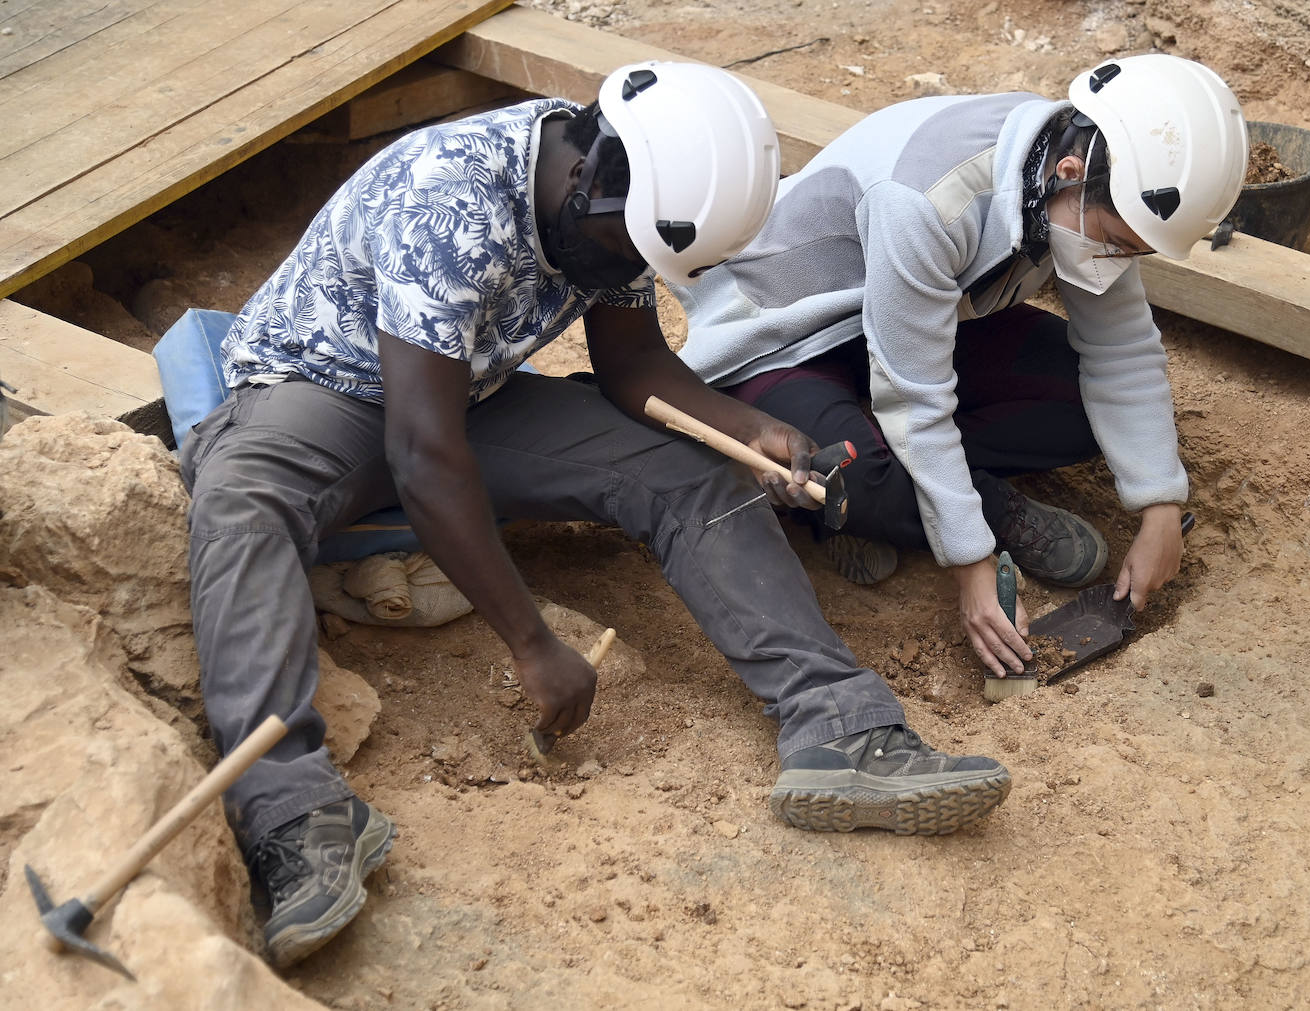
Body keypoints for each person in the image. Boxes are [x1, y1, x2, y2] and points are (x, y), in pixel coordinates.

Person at [178, 62, 1013, 969]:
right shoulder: (449, 202)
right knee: (241, 503)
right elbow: (422, 457)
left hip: (469, 393)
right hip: (325, 389)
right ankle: (294, 815)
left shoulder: (624, 194)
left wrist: (750, 428)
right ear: (592, 180)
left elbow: (634, 369)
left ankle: (838, 726)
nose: (631, 273)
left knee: (687, 467)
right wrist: (533, 643)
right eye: (630, 256)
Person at [672, 54, 1247, 678]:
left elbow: (1123, 352)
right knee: (847, 472)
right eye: (1117, 241)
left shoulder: (1075, 188)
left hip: (911, 323)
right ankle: (961, 504)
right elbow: (916, 399)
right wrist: (973, 559)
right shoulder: (927, 200)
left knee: (1086, 403)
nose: (1116, 259)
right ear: (1070, 172)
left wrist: (1161, 508)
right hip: (790, 336)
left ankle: (895, 487)